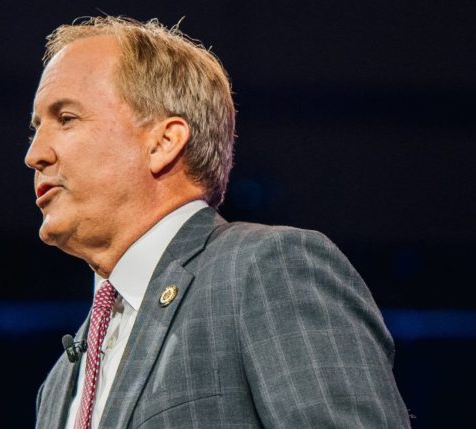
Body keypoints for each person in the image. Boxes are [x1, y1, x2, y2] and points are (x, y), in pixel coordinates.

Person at [26, 16, 410, 429]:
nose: (35, 154)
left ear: (163, 142)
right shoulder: (59, 383)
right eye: (35, 129)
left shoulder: (265, 269)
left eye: (66, 118)